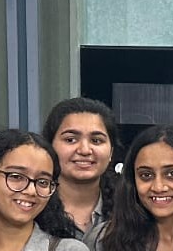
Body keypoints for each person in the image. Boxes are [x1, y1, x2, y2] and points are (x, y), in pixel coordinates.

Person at [42, 97, 118, 235]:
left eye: (96, 140)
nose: (84, 150)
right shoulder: (31, 206)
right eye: (70, 140)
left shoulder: (131, 210)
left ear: (111, 152)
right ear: (49, 147)